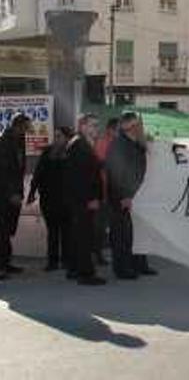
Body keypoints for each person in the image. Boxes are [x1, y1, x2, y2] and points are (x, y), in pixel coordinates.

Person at [106, 112, 155, 279]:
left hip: (137, 196)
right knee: (122, 235)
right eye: (138, 124)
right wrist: (124, 196)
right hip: (123, 198)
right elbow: (116, 173)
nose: (141, 127)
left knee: (138, 233)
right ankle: (122, 268)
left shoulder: (136, 144)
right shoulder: (119, 144)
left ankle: (139, 265)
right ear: (130, 127)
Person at [63, 113, 105, 285]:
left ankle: (74, 269)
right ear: (83, 127)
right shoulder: (80, 146)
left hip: (80, 199)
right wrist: (91, 198)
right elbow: (80, 178)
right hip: (82, 200)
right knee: (84, 236)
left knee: (78, 235)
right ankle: (85, 273)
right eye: (93, 125)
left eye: (97, 125)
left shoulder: (83, 145)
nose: (96, 129)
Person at [27, 127, 74, 271]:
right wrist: (32, 193)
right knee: (52, 232)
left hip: (66, 199)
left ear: (67, 138)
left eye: (59, 136)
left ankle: (66, 260)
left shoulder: (72, 152)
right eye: (55, 136)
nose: (56, 139)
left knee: (67, 232)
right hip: (49, 199)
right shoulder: (47, 152)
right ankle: (52, 261)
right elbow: (38, 173)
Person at [0, 113, 32, 278]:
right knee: (2, 230)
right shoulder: (4, 142)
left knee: (8, 229)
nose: (28, 130)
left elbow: (19, 169)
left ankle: (6, 262)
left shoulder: (19, 140)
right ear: (18, 126)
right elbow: (4, 172)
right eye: (26, 126)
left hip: (14, 192)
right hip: (4, 194)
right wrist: (11, 193)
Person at [92, 117, 120, 267]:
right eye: (117, 129)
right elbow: (100, 163)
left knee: (106, 224)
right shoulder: (103, 143)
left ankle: (100, 252)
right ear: (110, 129)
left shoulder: (115, 143)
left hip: (111, 190)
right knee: (100, 225)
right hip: (103, 190)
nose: (119, 132)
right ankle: (96, 253)